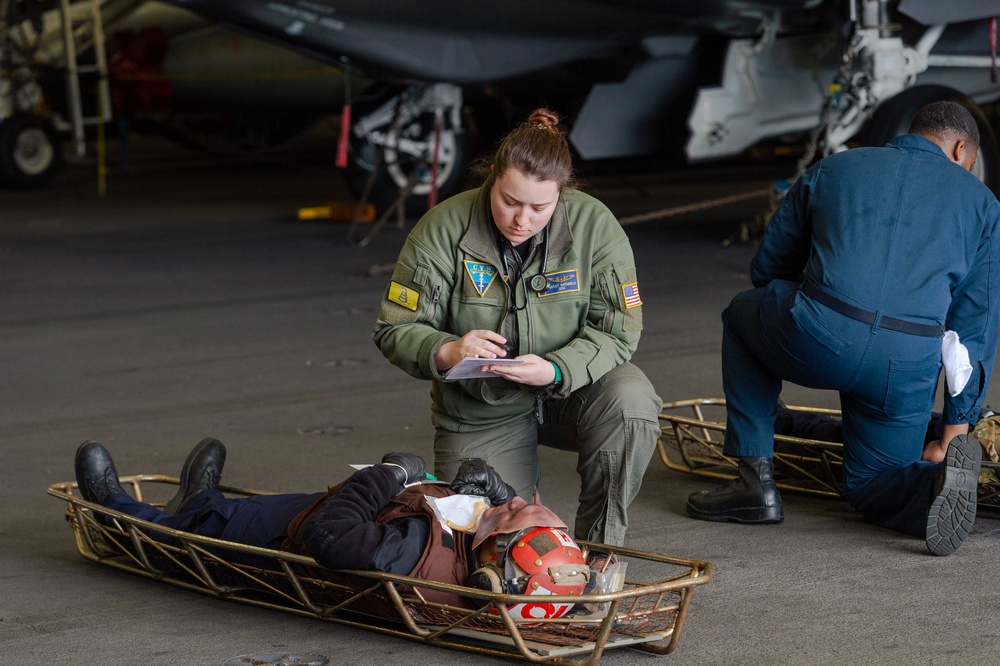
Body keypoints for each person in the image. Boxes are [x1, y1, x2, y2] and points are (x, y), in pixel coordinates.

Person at [686, 101, 1000, 556]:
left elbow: (768, 267)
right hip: (906, 363)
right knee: (871, 480)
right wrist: (955, 434)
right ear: (960, 148)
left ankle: (755, 482)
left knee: (741, 315)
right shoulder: (984, 205)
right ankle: (932, 484)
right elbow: (974, 328)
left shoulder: (832, 168)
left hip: (819, 333)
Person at [372, 108, 661, 547]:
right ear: (492, 177)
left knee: (631, 403)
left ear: (561, 194)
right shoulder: (443, 228)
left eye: (539, 207)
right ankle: (521, 509)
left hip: (573, 391)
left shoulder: (594, 225)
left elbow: (619, 330)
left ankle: (601, 550)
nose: (521, 220)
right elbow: (395, 329)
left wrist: (558, 369)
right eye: (509, 200)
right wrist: (449, 349)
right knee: (480, 542)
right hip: (481, 406)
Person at [73, 439, 590, 612]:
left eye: (505, 517)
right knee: (217, 508)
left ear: (489, 569)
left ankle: (116, 514)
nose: (510, 503)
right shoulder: (483, 560)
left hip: (286, 536)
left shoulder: (407, 557)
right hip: (338, 511)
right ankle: (199, 495)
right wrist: (495, 497)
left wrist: (393, 473)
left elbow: (329, 532)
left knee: (198, 533)